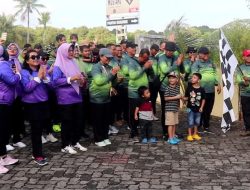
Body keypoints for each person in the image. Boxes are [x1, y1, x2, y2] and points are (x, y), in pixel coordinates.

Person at [52, 43, 87, 154]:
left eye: (73, 50)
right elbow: (55, 81)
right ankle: (65, 145)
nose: (72, 52)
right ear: (63, 52)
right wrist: (70, 79)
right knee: (67, 122)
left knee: (78, 121)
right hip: (65, 98)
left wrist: (81, 80)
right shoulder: (58, 66)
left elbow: (78, 77)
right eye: (69, 50)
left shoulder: (74, 62)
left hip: (77, 96)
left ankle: (74, 141)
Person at [21, 49, 51, 166]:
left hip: (44, 103)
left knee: (42, 128)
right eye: (33, 57)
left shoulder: (42, 70)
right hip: (32, 105)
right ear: (27, 60)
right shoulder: (24, 72)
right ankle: (37, 154)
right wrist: (38, 78)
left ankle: (38, 151)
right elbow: (27, 88)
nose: (36, 59)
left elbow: (52, 88)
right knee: (36, 130)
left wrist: (45, 79)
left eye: (37, 57)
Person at [89, 48, 120, 147]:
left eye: (110, 58)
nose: (109, 59)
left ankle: (105, 137)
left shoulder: (109, 67)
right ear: (101, 56)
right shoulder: (95, 67)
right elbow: (99, 81)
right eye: (107, 57)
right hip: (97, 98)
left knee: (106, 119)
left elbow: (112, 82)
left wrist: (117, 79)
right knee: (98, 120)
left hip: (107, 97)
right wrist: (112, 74)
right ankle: (98, 139)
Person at [0, 46, 20, 174]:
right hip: (2, 101)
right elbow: (12, 80)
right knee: (1, 131)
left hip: (5, 100)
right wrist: (18, 74)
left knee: (3, 131)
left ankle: (3, 156)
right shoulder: (2, 65)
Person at [158, 41, 184, 141]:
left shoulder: (175, 55)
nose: (170, 52)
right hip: (165, 87)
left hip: (175, 87)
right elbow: (165, 70)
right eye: (168, 51)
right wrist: (176, 63)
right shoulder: (161, 58)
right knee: (166, 110)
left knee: (174, 110)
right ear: (165, 50)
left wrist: (180, 63)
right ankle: (165, 132)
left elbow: (181, 70)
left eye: (172, 51)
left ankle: (172, 132)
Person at [192, 47, 221, 132]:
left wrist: (218, 83)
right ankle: (198, 125)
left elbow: (215, 73)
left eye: (207, 53)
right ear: (199, 54)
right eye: (204, 53)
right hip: (200, 90)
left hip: (211, 90)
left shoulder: (211, 63)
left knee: (209, 109)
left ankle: (206, 125)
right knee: (200, 108)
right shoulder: (196, 64)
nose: (206, 55)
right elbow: (194, 76)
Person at [128, 46, 152, 141]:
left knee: (142, 111)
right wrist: (144, 67)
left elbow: (152, 76)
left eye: (147, 58)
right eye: (145, 58)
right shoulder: (132, 62)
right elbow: (133, 76)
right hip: (134, 92)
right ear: (140, 56)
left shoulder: (145, 63)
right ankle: (133, 130)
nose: (146, 60)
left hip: (144, 93)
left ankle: (139, 128)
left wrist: (150, 68)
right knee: (133, 112)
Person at [6, 43, 27, 151]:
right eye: (10, 48)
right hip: (8, 94)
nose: (13, 50)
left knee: (18, 117)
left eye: (15, 48)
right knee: (7, 119)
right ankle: (6, 141)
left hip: (18, 93)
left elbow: (21, 76)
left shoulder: (19, 61)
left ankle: (16, 139)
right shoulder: (4, 61)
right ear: (6, 50)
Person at [184, 73, 205, 141]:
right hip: (190, 108)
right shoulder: (189, 88)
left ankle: (195, 134)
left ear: (198, 80)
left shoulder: (202, 89)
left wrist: (201, 107)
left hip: (198, 109)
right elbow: (186, 97)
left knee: (197, 122)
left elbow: (203, 99)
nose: (192, 79)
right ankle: (189, 135)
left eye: (194, 77)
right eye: (192, 77)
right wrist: (182, 99)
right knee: (190, 122)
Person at [164, 71, 183, 145]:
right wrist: (176, 97)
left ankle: (173, 136)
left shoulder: (177, 87)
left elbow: (179, 97)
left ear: (177, 79)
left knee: (174, 123)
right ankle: (170, 138)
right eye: (170, 78)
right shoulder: (167, 88)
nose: (171, 80)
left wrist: (181, 99)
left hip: (175, 109)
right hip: (169, 109)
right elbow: (166, 98)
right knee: (170, 124)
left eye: (173, 78)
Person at [236, 49, 250, 136]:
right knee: (246, 111)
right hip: (245, 94)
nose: (249, 57)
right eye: (248, 56)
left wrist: (248, 78)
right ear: (243, 57)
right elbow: (238, 80)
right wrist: (243, 82)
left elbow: (247, 78)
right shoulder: (240, 68)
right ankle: (248, 128)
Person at [149, 44, 160, 120]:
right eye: (155, 50)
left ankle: (153, 114)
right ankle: (148, 114)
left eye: (157, 51)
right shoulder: (147, 58)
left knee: (154, 98)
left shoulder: (156, 58)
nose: (156, 52)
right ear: (151, 49)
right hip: (149, 81)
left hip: (156, 81)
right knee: (148, 99)